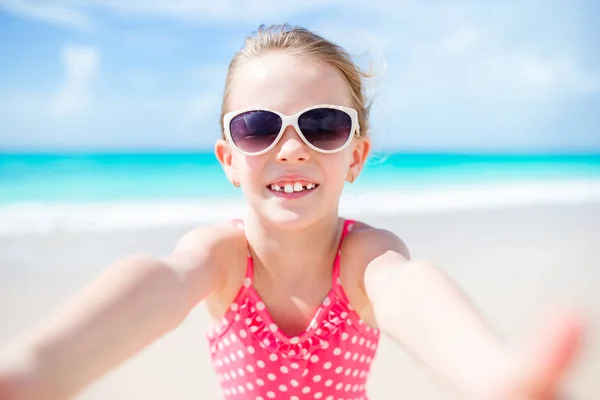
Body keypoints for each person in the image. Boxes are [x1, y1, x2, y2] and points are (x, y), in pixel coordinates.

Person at [0, 24, 584, 400]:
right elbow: (160, 284)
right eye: (258, 128)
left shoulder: (364, 258)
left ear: (354, 156)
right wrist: (38, 370)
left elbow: (409, 292)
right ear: (229, 160)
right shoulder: (222, 258)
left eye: (322, 125)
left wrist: (493, 375)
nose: (292, 146)